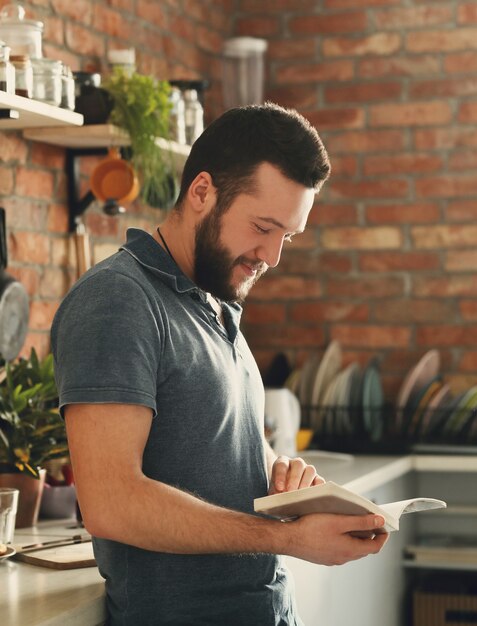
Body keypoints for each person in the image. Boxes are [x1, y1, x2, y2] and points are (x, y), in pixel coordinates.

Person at [51, 103, 388, 626]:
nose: (272, 255)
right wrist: (286, 538)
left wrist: (284, 479)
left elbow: (214, 440)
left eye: (288, 236)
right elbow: (111, 502)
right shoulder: (118, 301)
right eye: (263, 226)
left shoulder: (214, 299)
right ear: (202, 191)